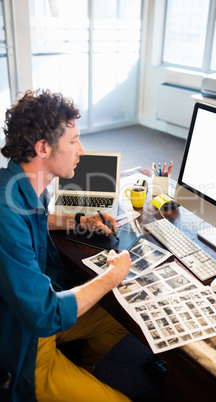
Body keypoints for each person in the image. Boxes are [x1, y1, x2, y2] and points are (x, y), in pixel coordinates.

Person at [0, 89, 132, 402]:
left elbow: (38, 218)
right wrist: (112, 276)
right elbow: (44, 314)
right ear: (43, 147)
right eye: (73, 141)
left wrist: (78, 221)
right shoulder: (4, 214)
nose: (81, 150)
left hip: (36, 318)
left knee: (122, 318)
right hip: (23, 345)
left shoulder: (21, 183)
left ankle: (80, 372)